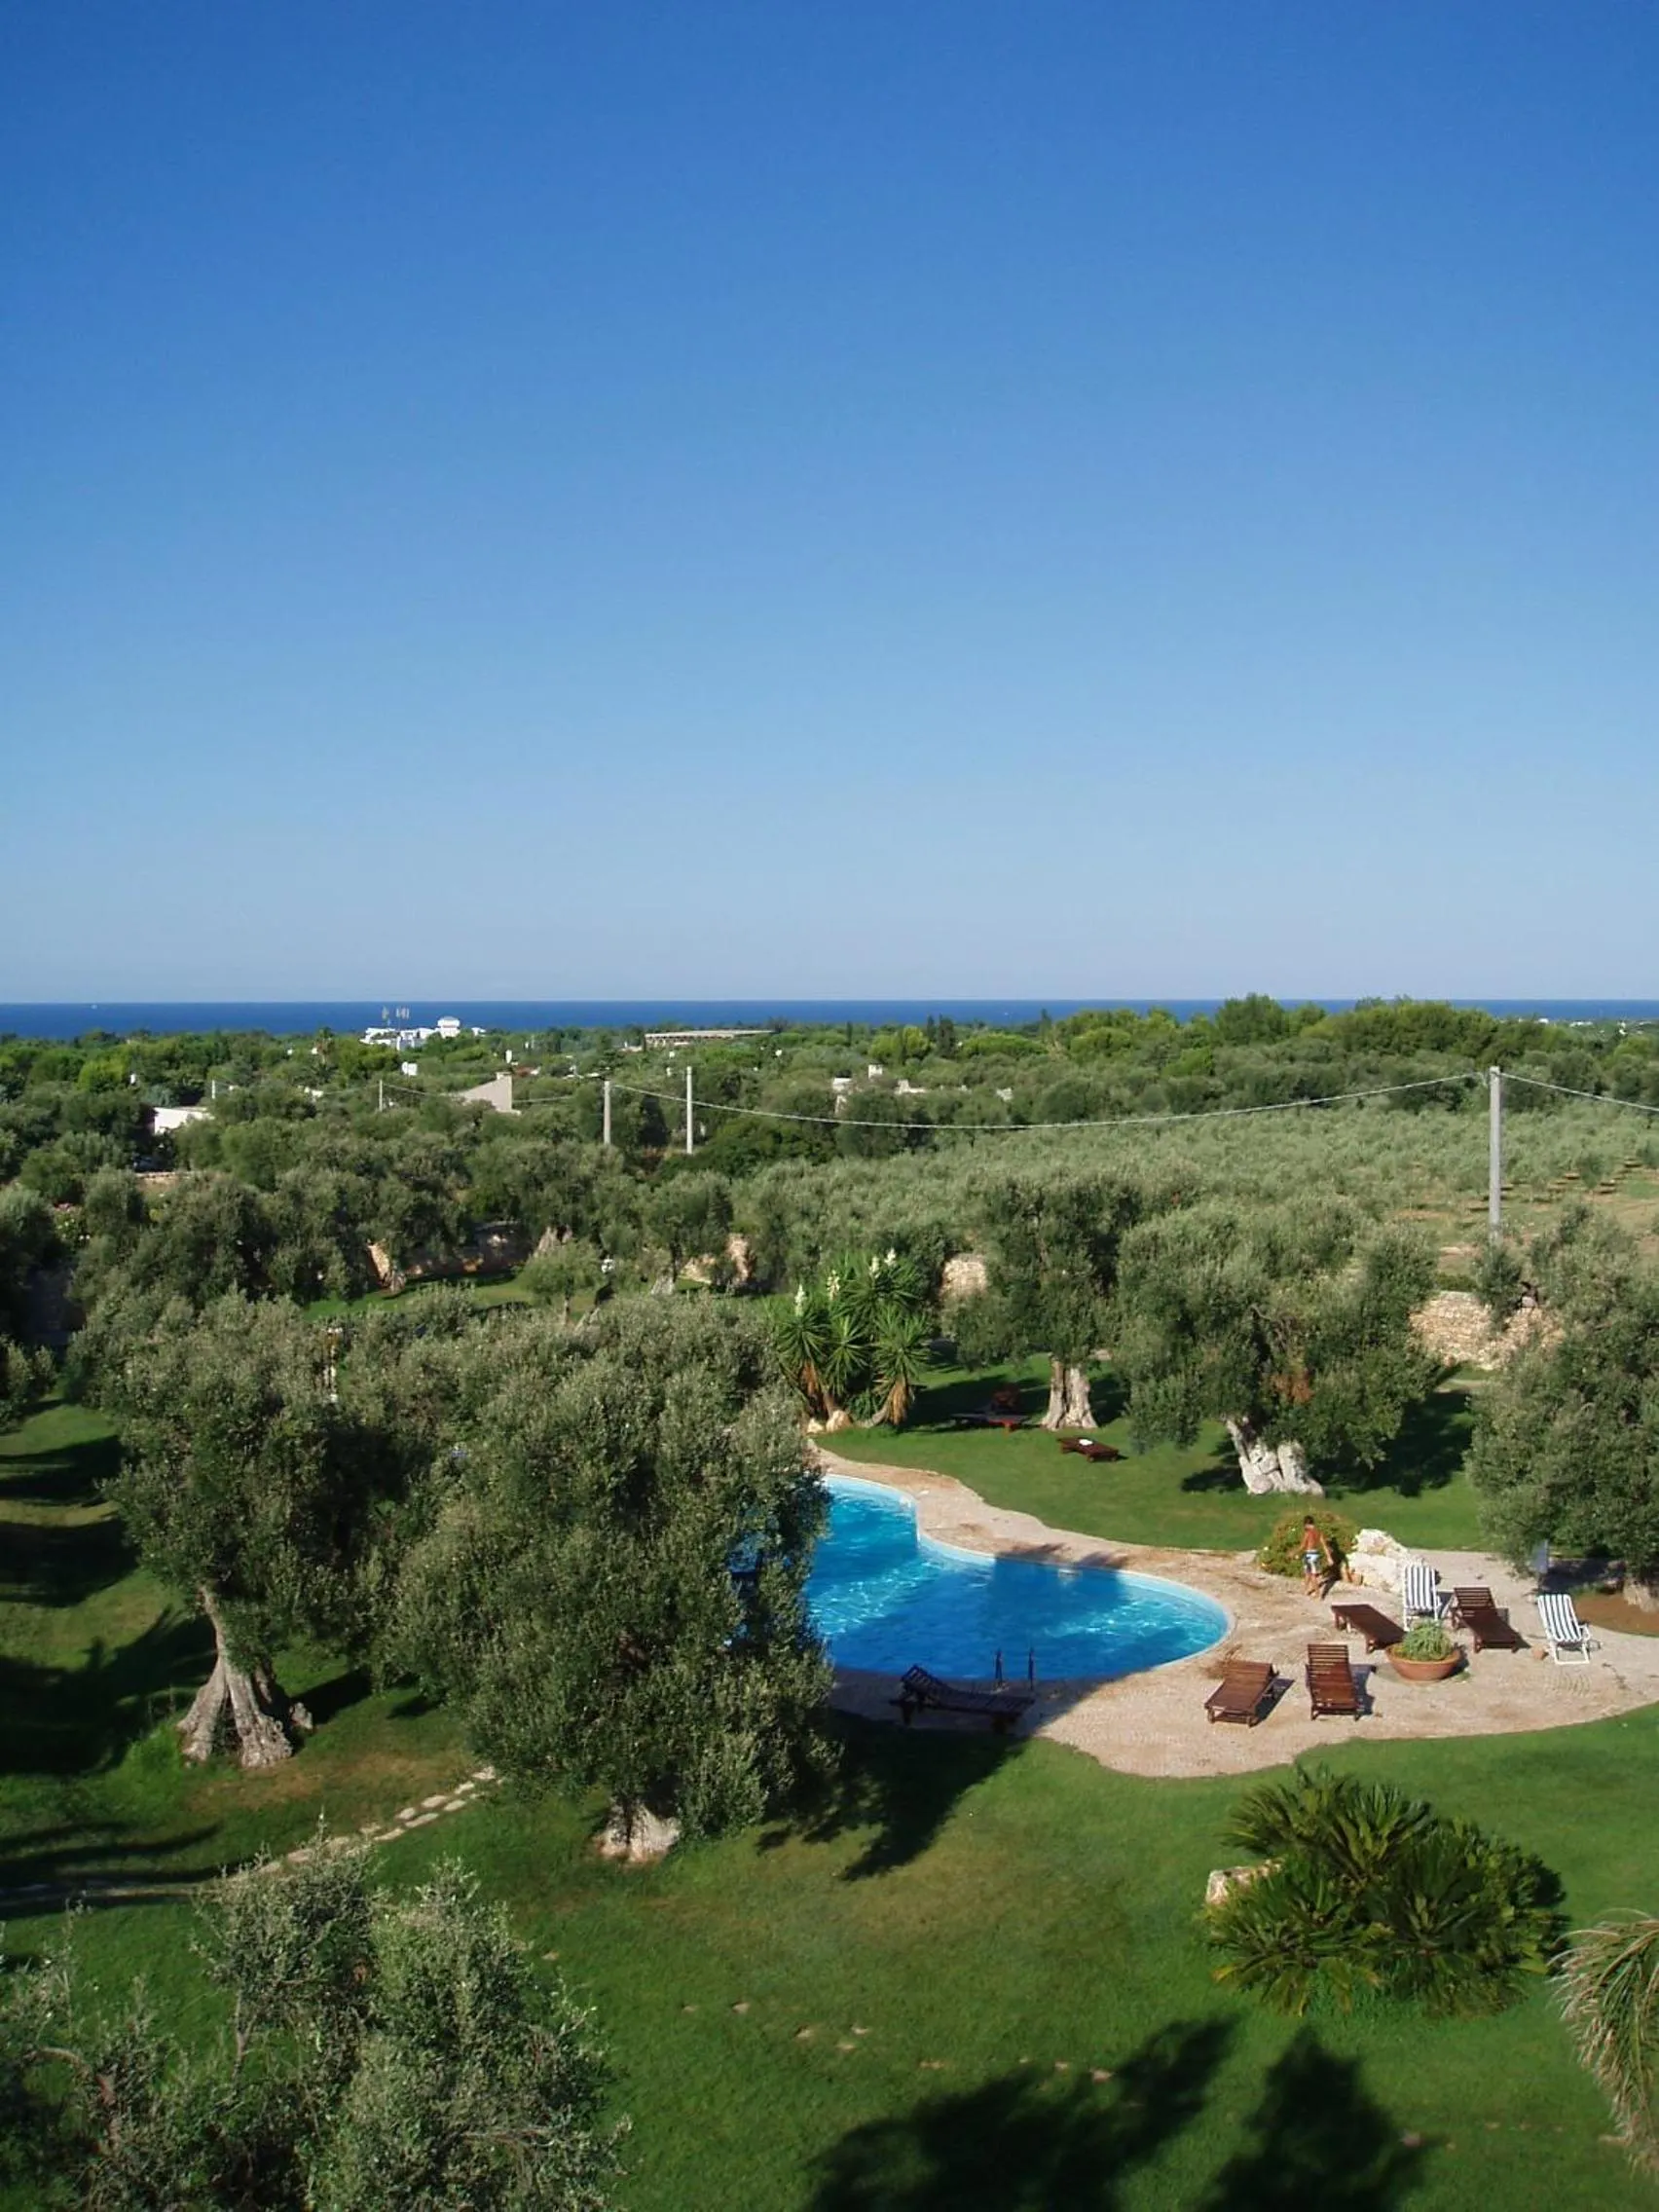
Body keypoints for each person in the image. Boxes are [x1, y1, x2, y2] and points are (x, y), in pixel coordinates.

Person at [1301, 1517, 1332, 1598]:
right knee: (1308, 1573)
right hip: (1316, 1554)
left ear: (1306, 1524)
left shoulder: (1308, 1533)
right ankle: (1305, 1590)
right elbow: (1324, 1546)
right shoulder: (1319, 1533)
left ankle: (1318, 1594)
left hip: (1309, 1555)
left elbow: (1303, 1545)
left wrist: (1293, 1552)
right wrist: (1329, 1557)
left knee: (1312, 1575)